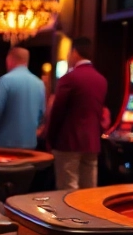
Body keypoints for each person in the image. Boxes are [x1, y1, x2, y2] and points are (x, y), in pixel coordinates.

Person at [45, 37, 109, 190]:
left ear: (74, 52)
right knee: (89, 190)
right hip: (92, 142)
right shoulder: (101, 80)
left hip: (68, 142)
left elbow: (58, 112)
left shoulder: (69, 79)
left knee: (68, 189)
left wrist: (50, 138)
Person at [0, 47, 45, 149]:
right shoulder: (39, 84)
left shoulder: (5, 81)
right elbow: (41, 114)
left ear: (9, 60)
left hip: (6, 143)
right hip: (30, 144)